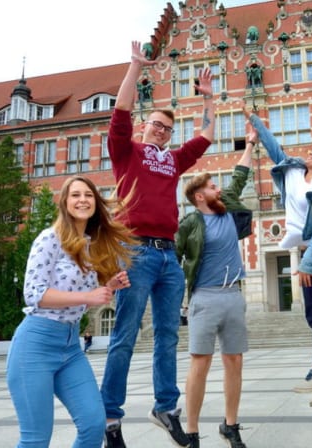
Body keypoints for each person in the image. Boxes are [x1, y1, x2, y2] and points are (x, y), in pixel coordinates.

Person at [100, 41, 216, 448]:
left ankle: (166, 408)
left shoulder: (172, 159)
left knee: (168, 335)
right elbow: (120, 110)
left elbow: (205, 135)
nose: (160, 131)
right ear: (143, 126)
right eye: (155, 125)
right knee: (125, 336)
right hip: (134, 251)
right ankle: (110, 419)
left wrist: (210, 100)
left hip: (168, 256)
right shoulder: (126, 151)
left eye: (167, 128)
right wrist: (134, 66)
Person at [7, 176, 135, 448]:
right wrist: (88, 295)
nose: (83, 200)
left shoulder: (89, 244)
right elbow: (34, 294)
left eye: (88, 195)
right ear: (65, 203)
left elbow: (78, 299)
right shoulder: (49, 239)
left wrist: (107, 287)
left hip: (70, 348)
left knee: (93, 424)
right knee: (36, 439)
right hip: (35, 345)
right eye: (75, 195)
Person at [245, 104, 312, 407]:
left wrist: (307, 262)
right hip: (306, 251)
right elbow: (274, 146)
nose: (310, 152)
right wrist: (253, 120)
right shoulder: (291, 171)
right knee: (311, 314)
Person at [175, 129, 255, 448]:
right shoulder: (190, 225)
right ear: (199, 197)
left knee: (234, 360)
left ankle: (230, 425)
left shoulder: (227, 211)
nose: (218, 188)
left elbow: (240, 176)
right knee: (201, 361)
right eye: (211, 186)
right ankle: (192, 431)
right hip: (204, 297)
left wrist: (249, 145)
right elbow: (172, 259)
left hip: (234, 295)